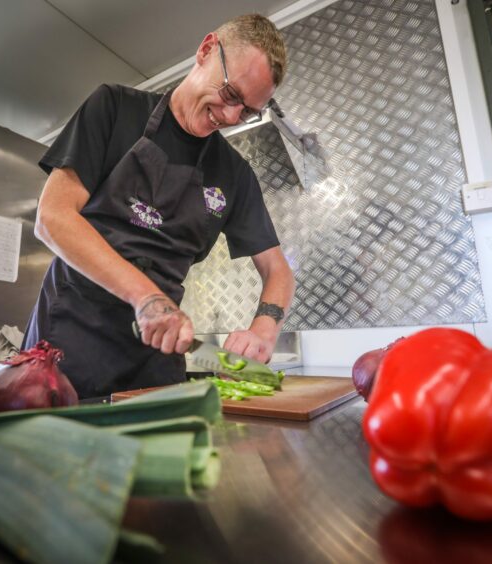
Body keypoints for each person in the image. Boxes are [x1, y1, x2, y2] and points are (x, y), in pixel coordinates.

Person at [23, 14, 296, 398]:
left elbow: (278, 271)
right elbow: (53, 218)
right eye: (232, 95)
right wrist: (146, 297)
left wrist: (264, 330)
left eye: (247, 111)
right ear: (205, 51)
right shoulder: (115, 108)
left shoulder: (235, 174)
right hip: (68, 349)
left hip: (155, 361)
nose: (232, 117)